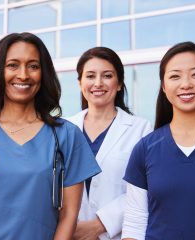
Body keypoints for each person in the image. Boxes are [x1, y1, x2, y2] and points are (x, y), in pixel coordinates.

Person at [0, 32, 101, 239]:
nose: (23, 75)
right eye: (12, 65)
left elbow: (68, 215)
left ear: (44, 73)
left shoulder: (67, 135)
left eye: (33, 66)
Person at [122, 42, 195, 240]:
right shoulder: (145, 149)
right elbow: (135, 223)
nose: (186, 84)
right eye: (175, 76)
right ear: (164, 86)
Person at [68, 47, 151, 240]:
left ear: (120, 83)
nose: (98, 83)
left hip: (119, 234)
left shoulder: (141, 129)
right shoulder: (63, 129)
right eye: (90, 76)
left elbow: (145, 188)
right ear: (80, 82)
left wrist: (100, 224)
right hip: (69, 233)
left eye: (107, 76)